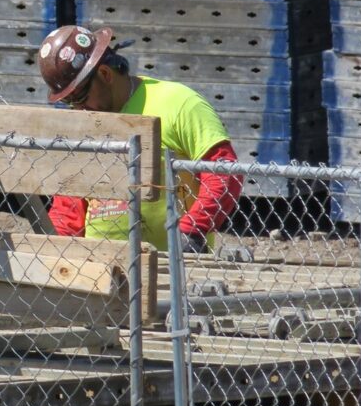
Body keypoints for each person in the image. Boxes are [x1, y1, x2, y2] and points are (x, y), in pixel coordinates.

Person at [38, 23, 241, 252]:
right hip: (102, 272)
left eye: (80, 96)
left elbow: (223, 170)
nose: (78, 109)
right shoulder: (83, 120)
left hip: (173, 269)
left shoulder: (178, 103)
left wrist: (193, 229)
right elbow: (69, 203)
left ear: (105, 74)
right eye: (68, 101)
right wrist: (58, 252)